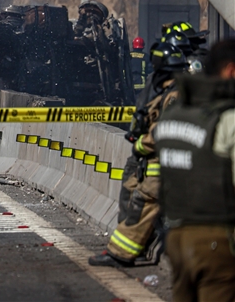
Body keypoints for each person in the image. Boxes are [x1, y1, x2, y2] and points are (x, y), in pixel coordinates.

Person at [89, 42, 187, 267]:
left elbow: (165, 131)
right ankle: (132, 249)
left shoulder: (174, 94)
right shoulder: (168, 91)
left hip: (162, 162)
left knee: (143, 202)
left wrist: (142, 143)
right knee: (135, 197)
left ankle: (121, 254)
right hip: (157, 161)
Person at [155, 38, 235, 302]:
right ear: (231, 71)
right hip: (215, 239)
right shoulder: (226, 118)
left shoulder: (175, 112)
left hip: (176, 236)